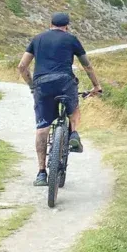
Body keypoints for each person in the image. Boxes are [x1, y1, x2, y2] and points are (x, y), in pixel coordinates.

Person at [17, 12, 103, 186]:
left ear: (50, 24)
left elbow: (22, 66)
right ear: (67, 26)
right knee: (74, 109)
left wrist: (32, 86)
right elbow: (87, 65)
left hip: (42, 84)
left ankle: (41, 173)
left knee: (42, 128)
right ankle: (74, 133)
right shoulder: (71, 39)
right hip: (65, 82)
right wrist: (96, 86)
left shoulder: (37, 39)